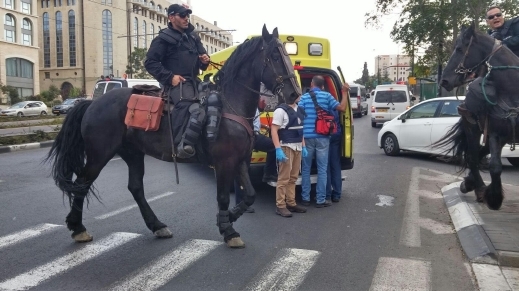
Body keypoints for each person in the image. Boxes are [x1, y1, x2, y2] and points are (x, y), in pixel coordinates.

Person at [144, 4, 210, 158]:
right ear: (171, 17)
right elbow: (150, 63)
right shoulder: (163, 39)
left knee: (215, 100)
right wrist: (170, 77)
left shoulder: (194, 37)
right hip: (177, 83)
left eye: (187, 15)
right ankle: (181, 144)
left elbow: (202, 61)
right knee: (188, 104)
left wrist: (205, 61)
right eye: (182, 15)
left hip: (195, 81)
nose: (186, 18)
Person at [297, 76, 349, 208]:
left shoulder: (303, 98)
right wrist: (344, 92)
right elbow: (342, 108)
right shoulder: (327, 96)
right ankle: (320, 200)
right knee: (322, 169)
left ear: (311, 84)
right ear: (323, 86)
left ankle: (305, 198)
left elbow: (298, 117)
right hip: (323, 137)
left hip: (307, 138)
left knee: (306, 169)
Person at [233, 107, 277, 213]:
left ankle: (269, 174)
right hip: (245, 138)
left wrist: (263, 126)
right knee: (242, 169)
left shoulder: (254, 105)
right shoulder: (242, 104)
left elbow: (251, 119)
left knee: (273, 146)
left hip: (254, 136)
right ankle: (240, 203)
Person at [270, 93, 308, 217]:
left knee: (293, 177)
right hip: (286, 146)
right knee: (284, 178)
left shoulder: (299, 109)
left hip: (297, 146)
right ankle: (280, 205)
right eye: (297, 94)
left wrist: (303, 146)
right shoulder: (281, 111)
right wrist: (278, 149)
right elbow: (274, 130)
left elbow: (300, 129)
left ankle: (291, 202)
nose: (300, 96)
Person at [326, 107, 343, 203]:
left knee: (325, 165)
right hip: (336, 134)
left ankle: (327, 194)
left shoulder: (320, 104)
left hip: (324, 135)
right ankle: (337, 194)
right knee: (335, 164)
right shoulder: (334, 104)